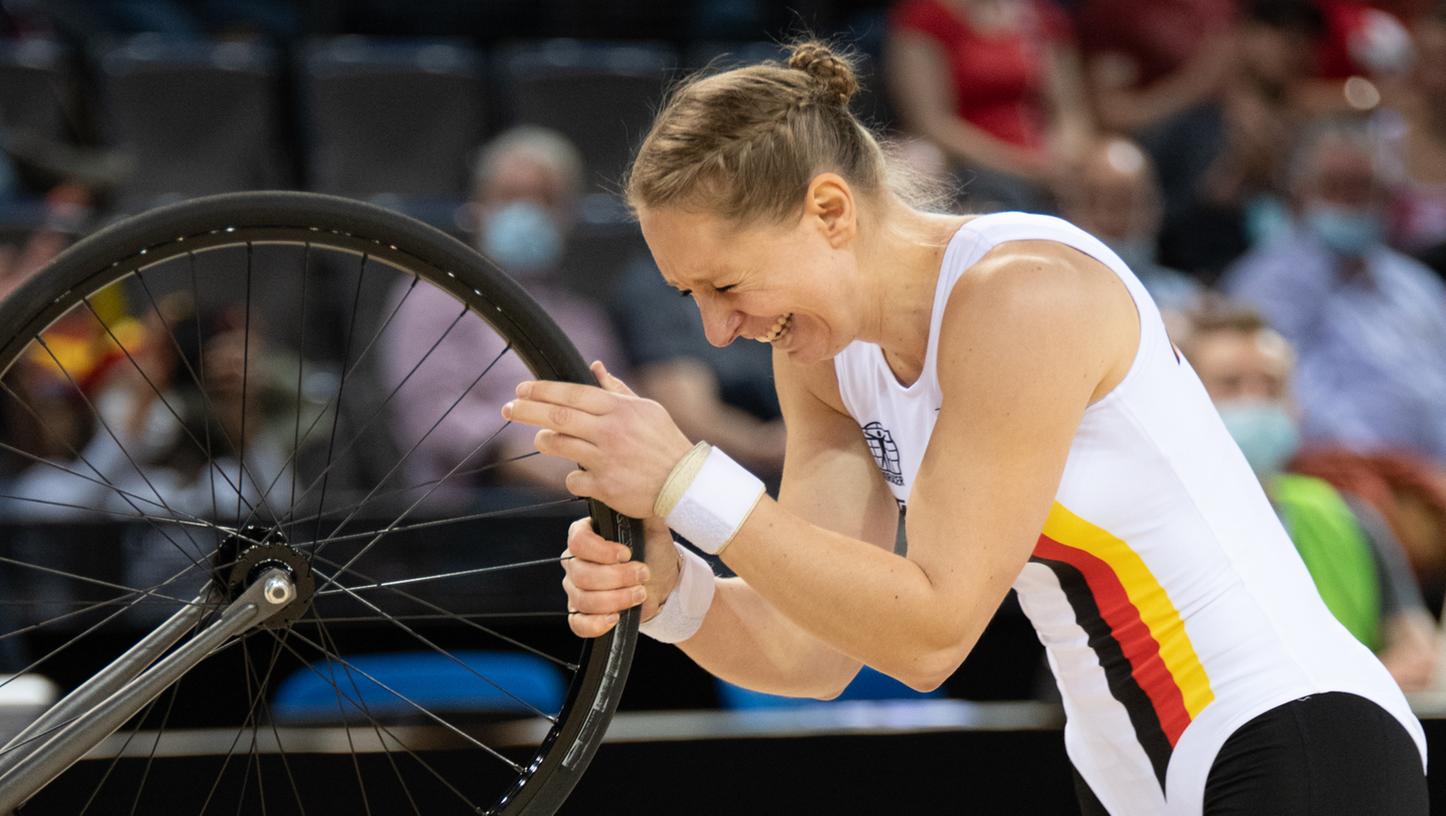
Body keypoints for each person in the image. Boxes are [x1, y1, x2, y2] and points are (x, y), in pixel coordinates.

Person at [501, 42, 1427, 814]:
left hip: (1291, 729)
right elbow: (815, 650)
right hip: (1124, 775)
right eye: (689, 296)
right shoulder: (820, 358)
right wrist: (673, 594)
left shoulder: (1022, 294)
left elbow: (933, 630)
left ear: (830, 211)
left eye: (727, 284)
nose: (715, 329)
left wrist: (683, 480)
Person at [1182, 304, 1437, 691]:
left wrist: (1350, 695)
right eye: (1231, 384)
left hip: (1349, 736)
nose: (1255, 401)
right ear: (1184, 400)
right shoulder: (1153, 525)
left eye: (1271, 385)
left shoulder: (1344, 515)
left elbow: (1416, 648)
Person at [381, 126, 628, 505]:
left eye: (543, 200)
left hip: (577, 504)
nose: (526, 212)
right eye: (510, 196)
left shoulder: (584, 318)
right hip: (470, 509)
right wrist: (513, 452)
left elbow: (616, 408)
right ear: (478, 206)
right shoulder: (430, 295)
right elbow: (428, 413)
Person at [1223, 116, 1446, 465]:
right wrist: (1383, 471)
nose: (1348, 201)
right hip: (1341, 479)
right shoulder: (1266, 286)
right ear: (1300, 195)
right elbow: (1293, 399)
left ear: (1386, 197)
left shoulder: (1419, 287)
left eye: (1362, 187)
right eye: (1333, 186)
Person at [884, 0, 1092, 213]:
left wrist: (1066, 156)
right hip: (966, 161)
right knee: (920, 160)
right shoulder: (924, 17)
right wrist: (1022, 166)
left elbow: (1071, 111)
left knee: (1113, 166)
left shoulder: (1042, 15)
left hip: (1045, 161)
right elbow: (931, 124)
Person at [1058, 137, 1202, 319]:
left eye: (1124, 203)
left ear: (1154, 208)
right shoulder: (1046, 292)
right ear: (1068, 207)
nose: (1108, 219)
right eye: (1093, 201)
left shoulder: (1186, 299)